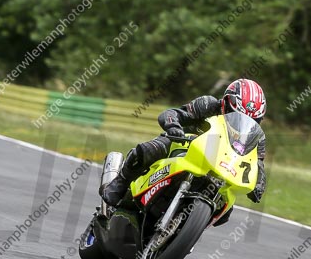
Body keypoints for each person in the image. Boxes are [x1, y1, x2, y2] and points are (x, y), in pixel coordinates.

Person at [101, 78, 267, 207]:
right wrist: (174, 127)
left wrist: (258, 185)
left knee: (226, 210)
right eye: (237, 114)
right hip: (183, 144)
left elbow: (258, 165)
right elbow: (172, 113)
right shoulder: (208, 105)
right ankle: (119, 183)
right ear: (225, 102)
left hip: (221, 165)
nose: (242, 122)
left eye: (251, 119)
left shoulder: (257, 138)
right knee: (149, 150)